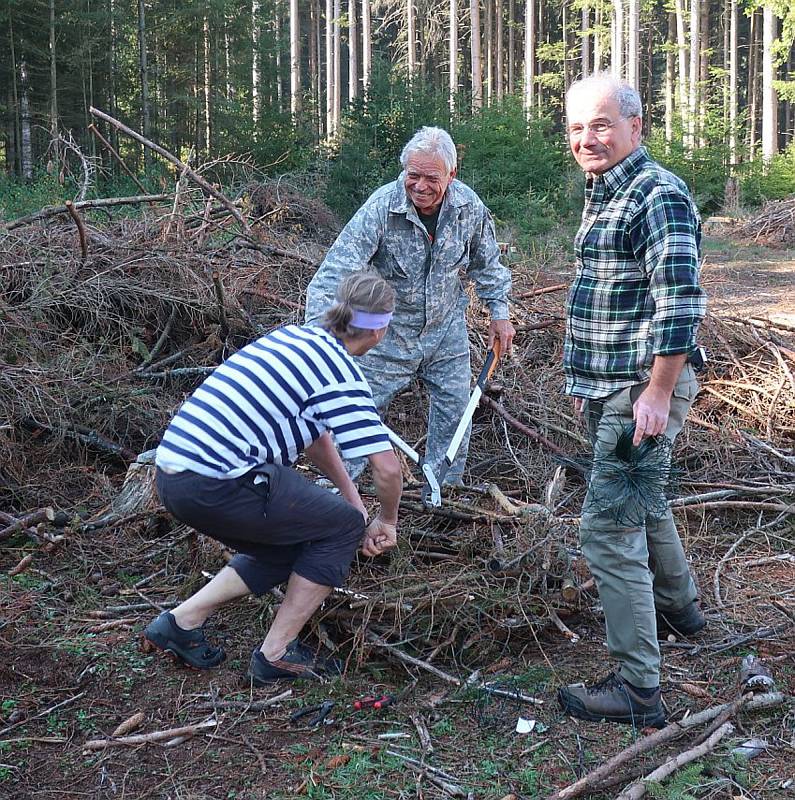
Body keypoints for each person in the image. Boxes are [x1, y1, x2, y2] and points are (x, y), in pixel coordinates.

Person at [142, 274, 403, 683]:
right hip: (218, 481)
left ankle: (181, 622)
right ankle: (276, 655)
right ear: (380, 329)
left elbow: (316, 439)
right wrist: (384, 520)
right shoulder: (339, 373)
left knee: (299, 536)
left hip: (174, 478)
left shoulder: (294, 340)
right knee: (341, 530)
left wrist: (354, 500)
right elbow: (387, 467)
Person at [556, 74, 707, 728]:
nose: (586, 139)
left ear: (634, 126)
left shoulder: (655, 194)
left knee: (607, 527)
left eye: (599, 125)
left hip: (638, 389)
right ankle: (680, 611)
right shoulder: (606, 190)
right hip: (613, 386)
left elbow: (680, 302)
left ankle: (637, 688)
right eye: (574, 128)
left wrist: (656, 391)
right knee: (640, 504)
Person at [305, 126, 515, 487]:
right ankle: (337, 499)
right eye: (412, 175)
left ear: (452, 174)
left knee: (454, 417)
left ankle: (444, 496)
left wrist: (499, 311)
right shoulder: (383, 208)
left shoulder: (469, 208)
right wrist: (317, 337)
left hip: (446, 333)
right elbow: (335, 271)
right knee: (355, 417)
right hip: (387, 337)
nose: (419, 186)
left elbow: (487, 263)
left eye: (431, 178)